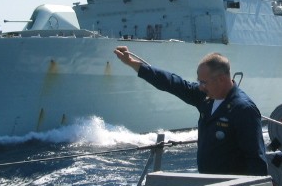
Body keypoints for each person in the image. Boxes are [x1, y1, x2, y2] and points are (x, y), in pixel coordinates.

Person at [113, 46, 268, 176]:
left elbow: (256, 158)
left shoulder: (243, 109)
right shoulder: (206, 97)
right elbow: (173, 83)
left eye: (204, 82)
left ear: (221, 79)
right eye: (198, 81)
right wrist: (134, 64)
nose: (200, 86)